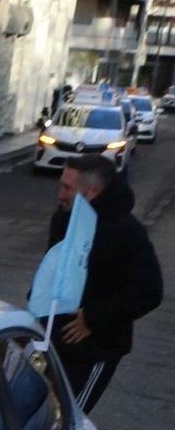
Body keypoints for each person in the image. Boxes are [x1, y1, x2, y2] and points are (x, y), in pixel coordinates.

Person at [46, 153, 163, 412]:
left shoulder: (126, 232)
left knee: (66, 422)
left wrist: (94, 317)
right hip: (51, 342)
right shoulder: (63, 218)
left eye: (67, 188)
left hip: (94, 350)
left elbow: (150, 291)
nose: (60, 195)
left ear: (92, 192)